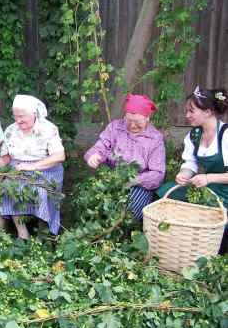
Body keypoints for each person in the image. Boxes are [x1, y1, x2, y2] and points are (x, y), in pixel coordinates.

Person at [157, 86, 228, 255]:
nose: (187, 115)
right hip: (208, 188)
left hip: (224, 191)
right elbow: (191, 163)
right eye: (186, 111)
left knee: (219, 228)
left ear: (208, 112)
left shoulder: (225, 135)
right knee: (163, 192)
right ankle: (172, 241)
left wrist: (208, 178)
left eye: (191, 111)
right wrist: (184, 174)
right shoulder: (193, 135)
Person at [0, 94, 65, 239]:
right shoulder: (11, 130)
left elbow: (59, 157)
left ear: (33, 113)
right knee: (9, 188)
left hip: (46, 169)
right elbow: (7, 157)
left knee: (40, 192)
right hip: (19, 169)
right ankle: (22, 233)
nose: (18, 120)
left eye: (22, 116)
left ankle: (45, 233)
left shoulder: (48, 129)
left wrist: (33, 166)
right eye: (15, 116)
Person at [84, 94, 165, 220]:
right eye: (128, 120)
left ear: (147, 118)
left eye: (137, 122)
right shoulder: (114, 128)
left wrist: (133, 180)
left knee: (128, 212)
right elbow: (100, 147)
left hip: (139, 185)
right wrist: (93, 156)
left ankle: (127, 234)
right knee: (95, 203)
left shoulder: (155, 138)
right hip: (113, 179)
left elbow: (157, 174)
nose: (132, 126)